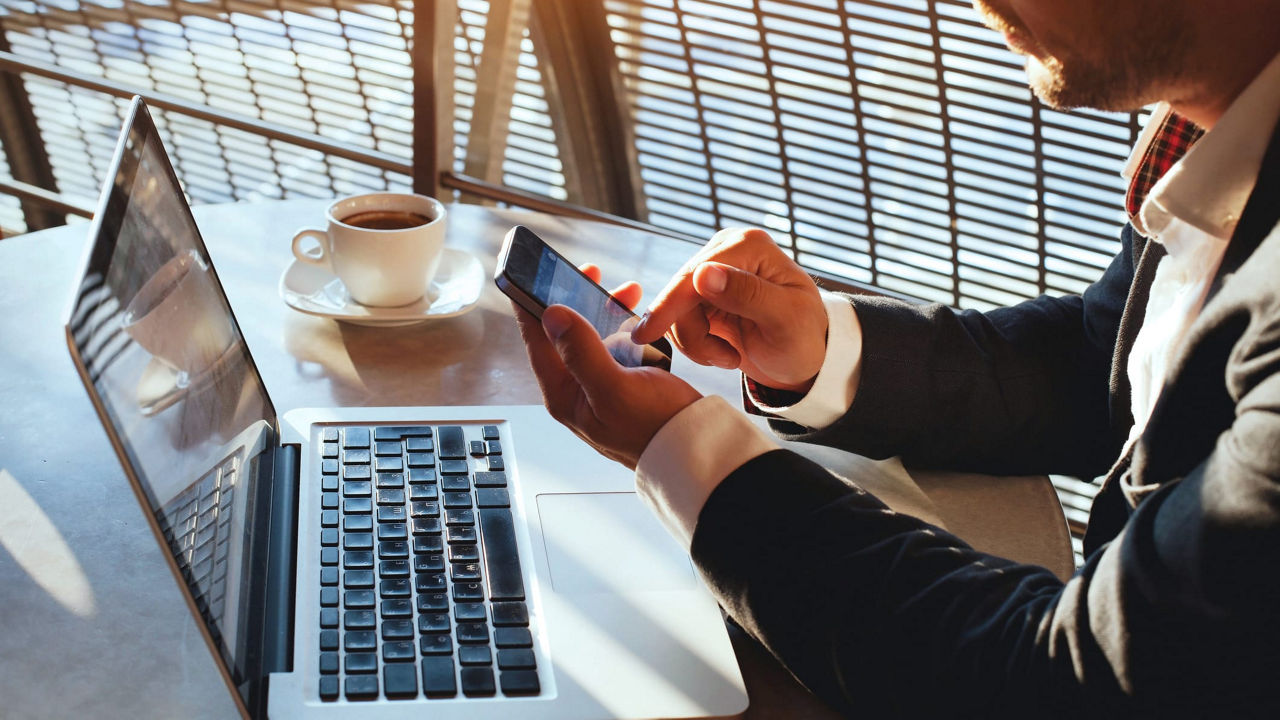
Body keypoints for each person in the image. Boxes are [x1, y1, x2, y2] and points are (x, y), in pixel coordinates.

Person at [513, 1, 1280, 716]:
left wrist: (686, 453)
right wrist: (822, 354)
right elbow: (1102, 362)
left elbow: (1068, 681)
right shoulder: (1216, 127)